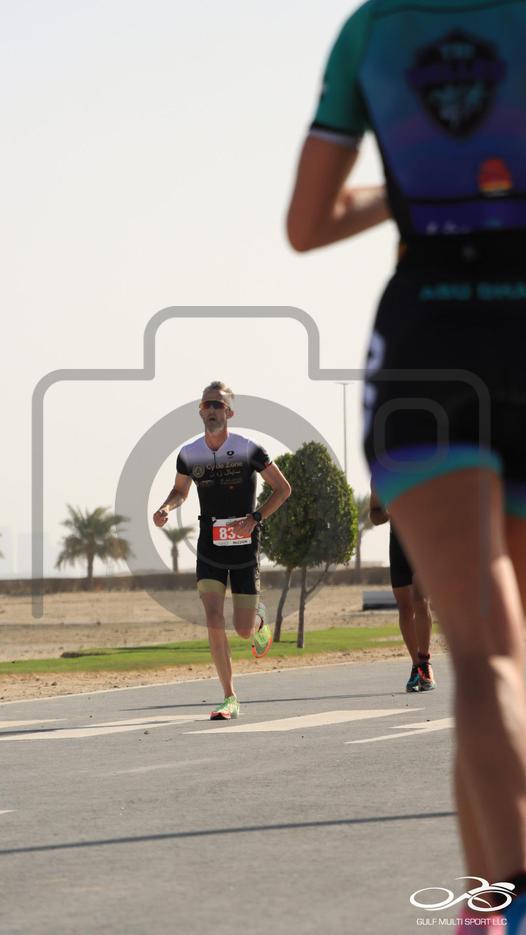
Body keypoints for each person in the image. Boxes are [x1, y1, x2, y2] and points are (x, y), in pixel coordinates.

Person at [287, 2, 526, 929]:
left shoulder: (373, 29)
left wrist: (412, 188)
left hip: (428, 339)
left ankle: (493, 901)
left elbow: (307, 223)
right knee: (508, 661)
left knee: (487, 657)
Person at [153, 381, 291, 720]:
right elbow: (180, 491)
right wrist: (167, 507)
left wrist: (255, 518)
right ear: (200, 412)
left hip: (244, 547)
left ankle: (257, 620)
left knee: (242, 629)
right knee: (213, 618)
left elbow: (283, 489)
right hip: (209, 546)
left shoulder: (248, 449)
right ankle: (229, 696)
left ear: (229, 412)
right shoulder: (189, 454)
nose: (212, 409)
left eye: (218, 404)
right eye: (206, 405)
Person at [369, 483, 436, 693]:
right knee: (405, 608)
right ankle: (416, 666)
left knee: (420, 600)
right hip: (398, 542)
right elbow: (374, 515)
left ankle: (425, 663)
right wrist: (390, 514)